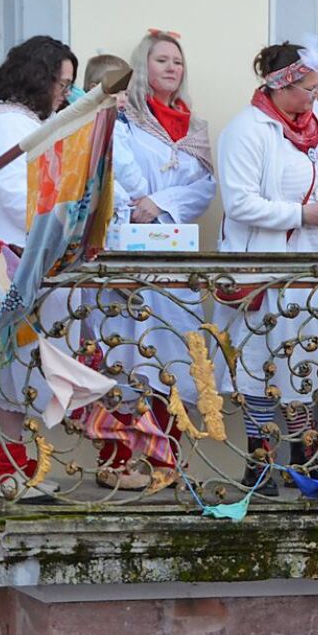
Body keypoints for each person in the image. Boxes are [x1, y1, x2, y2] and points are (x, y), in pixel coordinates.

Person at [216, 36, 318, 496]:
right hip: (267, 263)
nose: (317, 97)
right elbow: (239, 202)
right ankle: (260, 459)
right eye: (308, 88)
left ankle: (305, 452)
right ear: (280, 85)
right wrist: (297, 215)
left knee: (307, 357)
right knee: (262, 362)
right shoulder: (246, 129)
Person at [87, 29, 217, 490]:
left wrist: (160, 204)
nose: (171, 68)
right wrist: (135, 205)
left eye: (177, 62)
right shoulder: (123, 119)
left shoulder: (194, 127)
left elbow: (204, 187)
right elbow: (104, 172)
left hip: (174, 253)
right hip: (130, 249)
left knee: (171, 353)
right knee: (129, 351)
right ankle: (121, 458)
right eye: (162, 60)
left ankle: (166, 459)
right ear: (143, 67)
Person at [0, 35, 79, 498]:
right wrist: (64, 227)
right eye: (62, 85)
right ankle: (6, 473)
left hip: (16, 256)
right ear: (38, 79)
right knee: (8, 370)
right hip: (3, 260)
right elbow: (19, 197)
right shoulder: (8, 125)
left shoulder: (19, 122)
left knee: (16, 370)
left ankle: (16, 470)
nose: (65, 95)